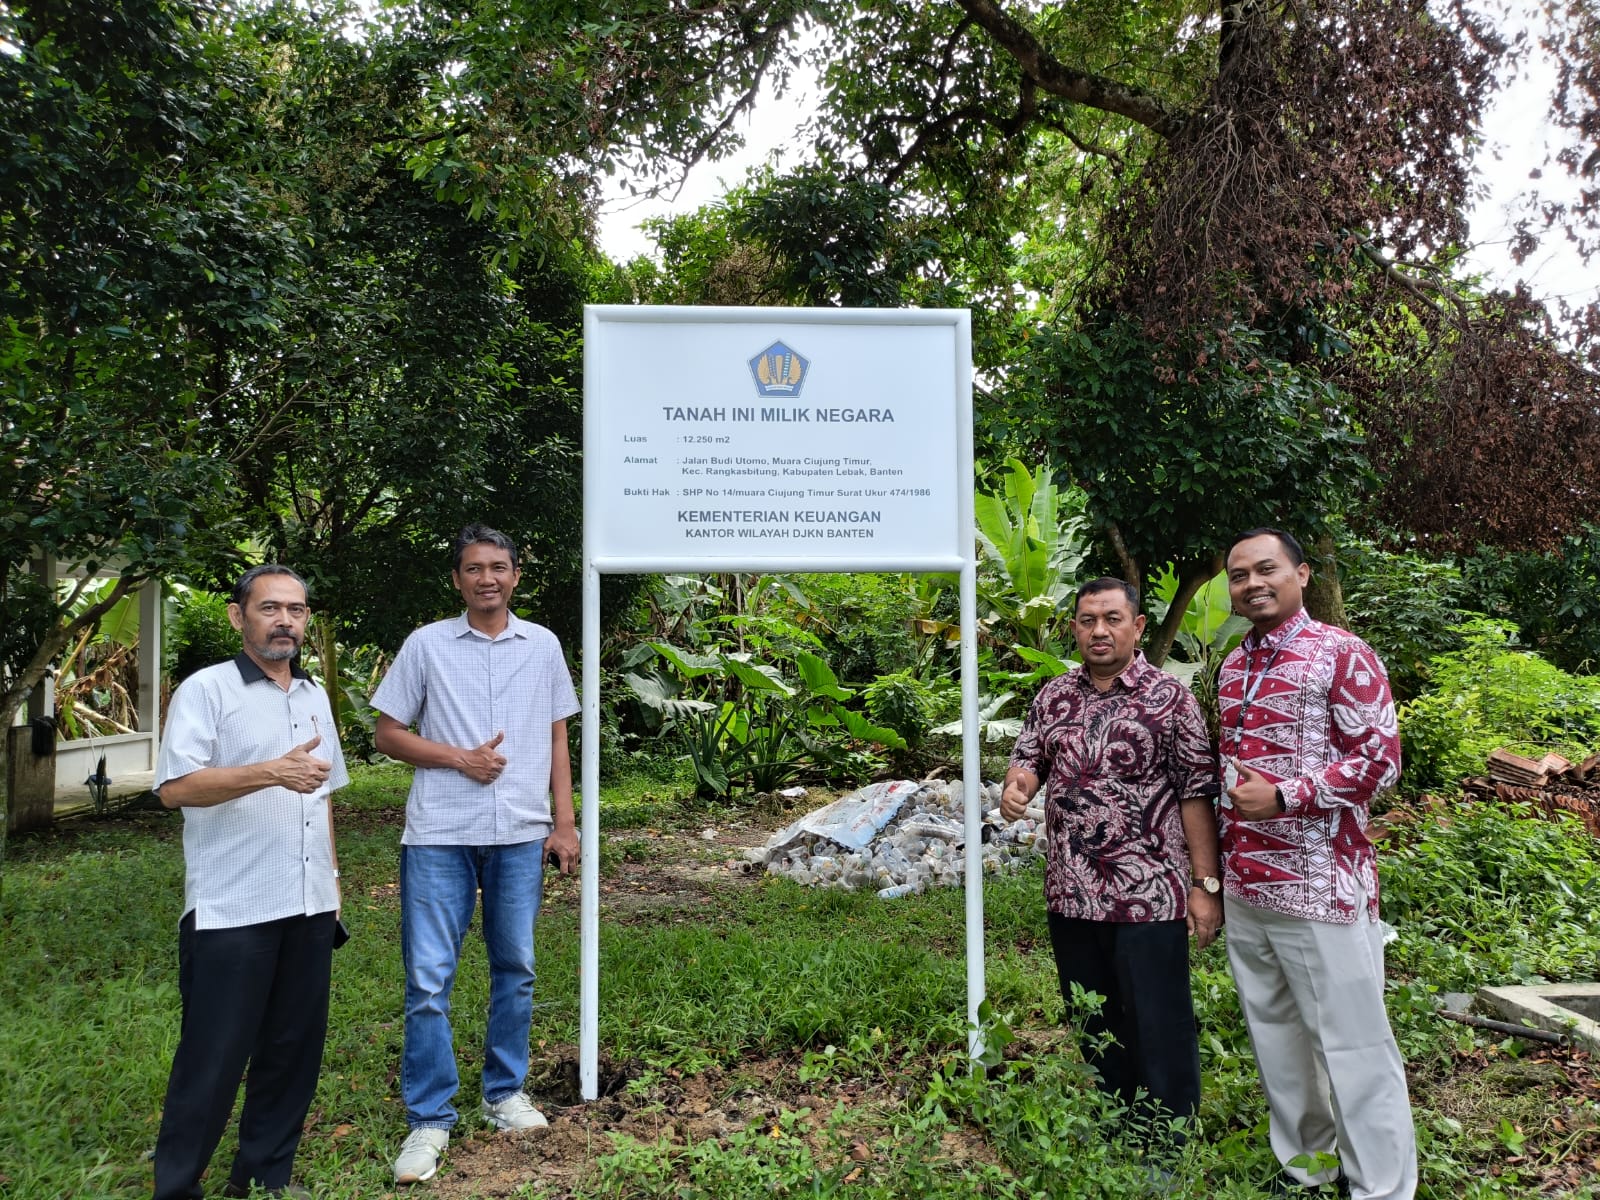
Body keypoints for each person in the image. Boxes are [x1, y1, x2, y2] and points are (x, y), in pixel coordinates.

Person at [372, 523, 580, 1185]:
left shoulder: (543, 645)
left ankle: (503, 1093)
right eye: (473, 568)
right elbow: (386, 734)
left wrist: (565, 823)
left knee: (516, 966)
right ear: (457, 579)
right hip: (440, 833)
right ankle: (429, 1117)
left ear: (515, 575)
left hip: (520, 831)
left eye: (497, 567)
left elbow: (556, 737)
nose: (486, 578)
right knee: (429, 978)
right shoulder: (426, 645)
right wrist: (459, 758)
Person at [1219, 528, 1417, 1199]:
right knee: (1277, 1039)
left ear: (1301, 574)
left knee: (1355, 1047)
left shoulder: (1341, 653)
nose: (1252, 583)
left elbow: (1381, 762)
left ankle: (1382, 1187)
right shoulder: (1233, 666)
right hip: (1249, 888)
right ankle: (1310, 1166)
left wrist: (1285, 795)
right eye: (1239, 575)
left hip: (1323, 888)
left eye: (1266, 569)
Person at [1000, 577, 1222, 1147]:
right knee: (1092, 1017)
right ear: (1074, 628)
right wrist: (1017, 787)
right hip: (1071, 892)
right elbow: (1028, 760)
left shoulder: (1171, 699)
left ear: (1137, 627)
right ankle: (1117, 1123)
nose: (1099, 630)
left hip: (1149, 893)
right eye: (1087, 620)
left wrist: (1205, 885)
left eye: (1112, 619)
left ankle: (1168, 1139)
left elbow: (1196, 793)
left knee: (1158, 1019)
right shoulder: (1053, 696)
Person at [152, 564, 347, 1200]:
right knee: (212, 1058)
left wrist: (333, 885)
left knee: (292, 1051)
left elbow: (323, 796)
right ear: (239, 616)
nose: (284, 621)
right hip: (232, 906)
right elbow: (175, 788)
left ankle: (263, 1177)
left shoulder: (314, 696)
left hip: (308, 904)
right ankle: (177, 1187)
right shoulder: (206, 690)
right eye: (270, 608)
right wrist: (269, 772)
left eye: (296, 609)